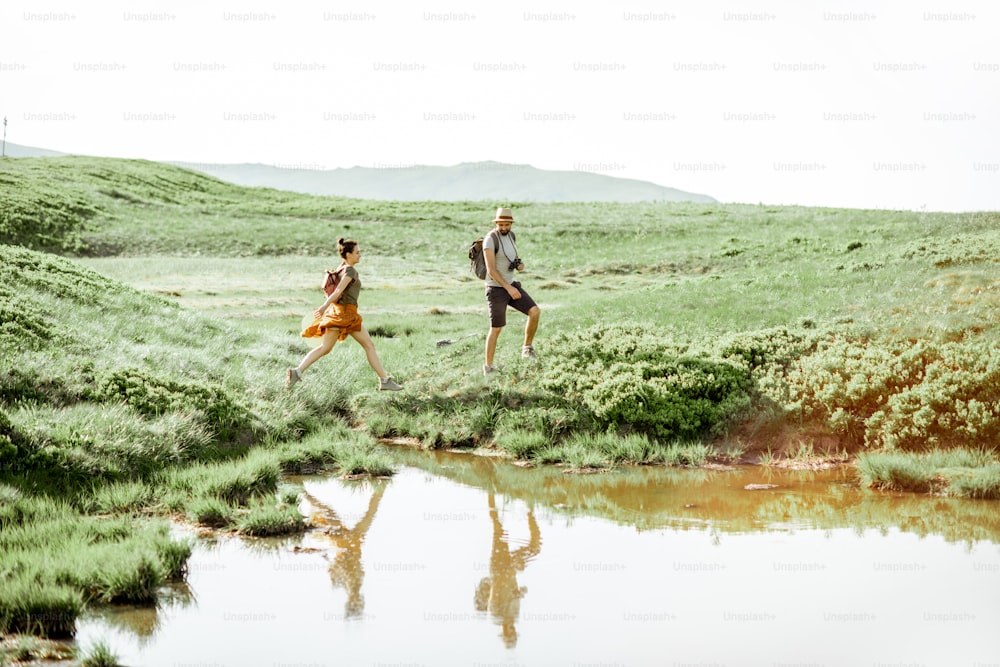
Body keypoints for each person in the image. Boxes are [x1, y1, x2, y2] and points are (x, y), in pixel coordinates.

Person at [286, 238, 403, 391]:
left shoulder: (340, 268)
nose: (360, 255)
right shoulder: (349, 270)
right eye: (357, 253)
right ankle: (384, 380)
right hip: (347, 315)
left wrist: (327, 308)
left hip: (336, 313)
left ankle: (297, 371)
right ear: (348, 254)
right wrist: (324, 306)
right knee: (369, 345)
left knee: (325, 348)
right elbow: (338, 291)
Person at [482, 206, 540, 375]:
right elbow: (491, 270)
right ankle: (489, 368)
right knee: (496, 328)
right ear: (496, 223)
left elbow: (511, 257)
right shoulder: (490, 240)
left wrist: (519, 264)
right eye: (501, 225)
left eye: (507, 225)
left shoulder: (511, 236)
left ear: (511, 224)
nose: (504, 228)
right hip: (496, 289)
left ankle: (527, 349)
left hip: (511, 284)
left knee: (534, 311)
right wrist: (508, 288)